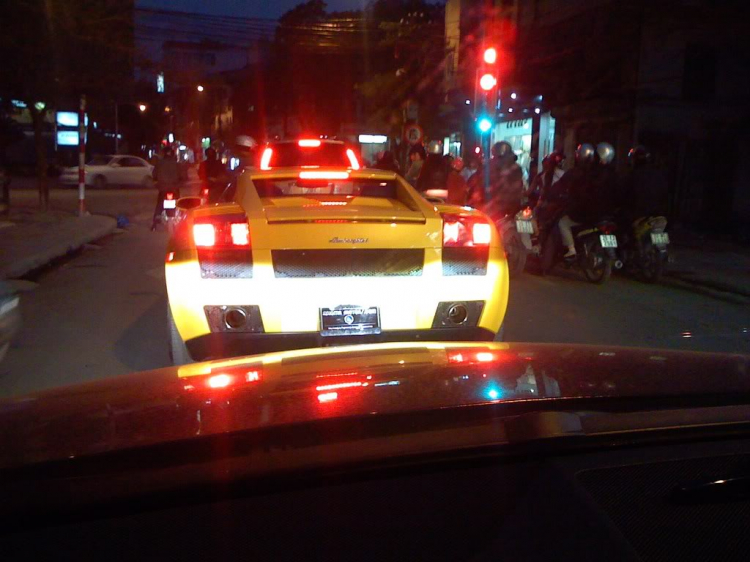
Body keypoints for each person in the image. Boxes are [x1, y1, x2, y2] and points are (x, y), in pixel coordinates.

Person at [556, 143, 609, 258]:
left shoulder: (582, 174)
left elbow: (562, 188)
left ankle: (571, 249)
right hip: (604, 213)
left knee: (563, 222)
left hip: (585, 213)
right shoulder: (609, 174)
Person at [619, 145, 669, 225]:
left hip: (637, 217)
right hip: (657, 216)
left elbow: (622, 194)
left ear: (634, 159)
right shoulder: (658, 174)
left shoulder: (632, 176)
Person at [480, 141, 524, 221]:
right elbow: (482, 183)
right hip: (494, 208)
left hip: (510, 208)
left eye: (498, 157)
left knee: (524, 229)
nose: (495, 160)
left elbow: (512, 190)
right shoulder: (491, 167)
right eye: (495, 157)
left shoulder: (515, 169)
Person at [151, 147, 181, 230]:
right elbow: (183, 176)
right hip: (174, 188)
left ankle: (155, 222)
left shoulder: (159, 163)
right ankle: (181, 222)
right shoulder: (176, 164)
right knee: (179, 205)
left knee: (159, 205)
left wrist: (157, 181)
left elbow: (154, 175)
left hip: (163, 188)